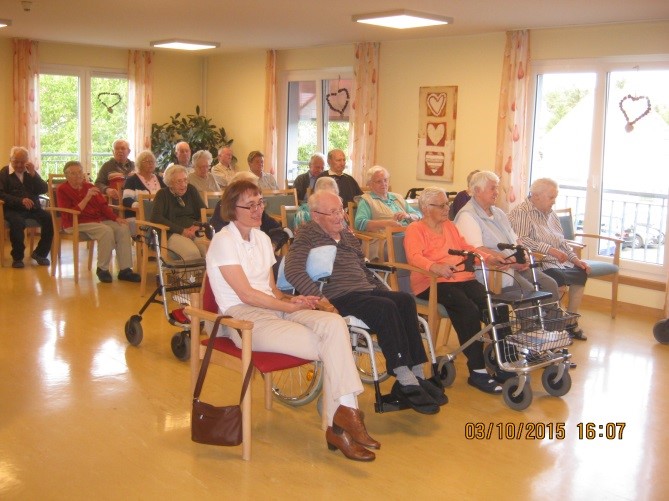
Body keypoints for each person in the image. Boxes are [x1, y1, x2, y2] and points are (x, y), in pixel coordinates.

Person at [207, 179, 379, 462]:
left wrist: (294, 300)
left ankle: (344, 418)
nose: (258, 210)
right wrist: (283, 304)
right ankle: (341, 424)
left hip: (273, 308)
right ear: (232, 209)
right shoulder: (223, 242)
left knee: (335, 325)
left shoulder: (262, 239)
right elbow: (246, 294)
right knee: (328, 343)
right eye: (250, 205)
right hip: (243, 318)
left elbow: (271, 289)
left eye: (260, 203)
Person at [285, 191, 447, 415]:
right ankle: (405, 379)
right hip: (338, 296)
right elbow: (293, 270)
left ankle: (417, 374)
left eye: (340, 210)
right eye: (332, 212)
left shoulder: (347, 234)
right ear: (315, 215)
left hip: (364, 290)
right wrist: (321, 300)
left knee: (404, 300)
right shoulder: (307, 234)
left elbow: (363, 268)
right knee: (386, 308)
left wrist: (383, 291)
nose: (339, 216)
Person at [404, 187, 509, 393]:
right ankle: (478, 371)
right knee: (467, 310)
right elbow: (414, 256)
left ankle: (504, 360)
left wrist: (488, 257)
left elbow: (467, 248)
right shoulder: (415, 229)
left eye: (447, 204)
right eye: (441, 205)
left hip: (461, 278)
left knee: (496, 306)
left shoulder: (450, 226)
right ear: (425, 208)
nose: (447, 208)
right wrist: (434, 266)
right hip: (432, 282)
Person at [454, 170, 560, 300]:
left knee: (549, 284)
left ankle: (549, 314)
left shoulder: (498, 213)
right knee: (529, 292)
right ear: (477, 191)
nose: (496, 192)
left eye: (497, 188)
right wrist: (511, 261)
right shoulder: (467, 216)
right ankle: (535, 314)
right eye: (492, 188)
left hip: (514, 265)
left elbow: (515, 239)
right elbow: (476, 250)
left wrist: (524, 258)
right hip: (493, 270)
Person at [508, 177, 590, 340]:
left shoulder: (552, 214)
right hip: (540, 262)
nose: (554, 201)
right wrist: (550, 250)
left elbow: (562, 241)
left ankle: (570, 322)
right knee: (555, 279)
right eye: (551, 197)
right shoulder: (521, 212)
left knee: (581, 272)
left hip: (559, 261)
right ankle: (554, 323)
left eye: (555, 197)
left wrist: (575, 259)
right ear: (536, 196)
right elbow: (522, 240)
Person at [57, 161, 140, 283]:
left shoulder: (89, 186)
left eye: (80, 172)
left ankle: (125, 270)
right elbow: (69, 213)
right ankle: (103, 269)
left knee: (122, 227)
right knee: (106, 231)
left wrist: (115, 218)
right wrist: (87, 197)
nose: (78, 175)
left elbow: (103, 206)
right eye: (73, 173)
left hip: (96, 221)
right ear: (67, 176)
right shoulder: (62, 189)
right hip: (75, 222)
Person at [0, 146, 53, 268]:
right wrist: (20, 201)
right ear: (10, 159)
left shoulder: (30, 172)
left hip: (33, 209)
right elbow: (1, 194)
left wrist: (34, 174)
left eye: (22, 162)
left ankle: (40, 253)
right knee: (17, 223)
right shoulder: (4, 173)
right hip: (12, 209)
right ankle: (17, 258)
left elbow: (44, 189)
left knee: (49, 219)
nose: (19, 165)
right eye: (16, 162)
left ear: (27, 161)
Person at [209, 171, 289, 252]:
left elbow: (279, 230)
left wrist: (272, 245)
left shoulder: (257, 209)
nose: (257, 192)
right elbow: (216, 234)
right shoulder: (225, 211)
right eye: (250, 190)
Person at [354, 165, 422, 261]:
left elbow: (419, 215)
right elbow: (359, 223)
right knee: (415, 247)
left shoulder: (397, 197)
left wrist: (408, 215)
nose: (384, 184)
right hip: (383, 240)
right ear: (370, 184)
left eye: (385, 180)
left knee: (426, 243)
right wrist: (386, 223)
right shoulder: (366, 200)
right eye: (379, 181)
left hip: (406, 235)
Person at [150, 165, 207, 262]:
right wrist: (182, 230)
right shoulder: (162, 194)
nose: (183, 184)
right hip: (171, 233)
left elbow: (204, 211)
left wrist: (197, 226)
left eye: (185, 180)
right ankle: (190, 273)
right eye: (179, 181)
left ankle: (205, 273)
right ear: (170, 183)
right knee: (192, 253)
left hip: (194, 230)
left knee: (209, 250)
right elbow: (156, 217)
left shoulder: (191, 190)